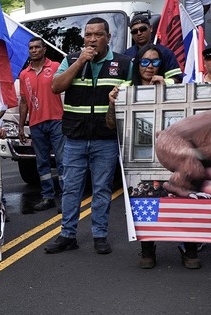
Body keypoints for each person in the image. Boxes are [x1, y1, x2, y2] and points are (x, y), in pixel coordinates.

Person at [47, 17, 132, 255]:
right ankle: (67, 234)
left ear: (108, 37)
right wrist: (80, 62)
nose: (92, 39)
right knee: (71, 189)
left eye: (98, 34)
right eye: (88, 35)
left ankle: (100, 234)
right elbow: (56, 87)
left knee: (102, 189)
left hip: (105, 139)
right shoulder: (71, 59)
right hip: (74, 138)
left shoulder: (124, 63)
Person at [113, 46, 201, 269]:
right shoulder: (125, 88)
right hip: (141, 156)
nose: (149, 67)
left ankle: (188, 247)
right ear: (137, 64)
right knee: (144, 204)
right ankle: (147, 249)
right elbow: (111, 124)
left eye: (154, 62)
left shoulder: (173, 85)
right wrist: (112, 104)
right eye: (144, 62)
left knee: (182, 201)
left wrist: (167, 92)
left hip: (174, 156)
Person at [18, 37, 65, 212]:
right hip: (36, 123)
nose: (34, 50)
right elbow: (23, 102)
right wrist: (22, 126)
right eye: (31, 48)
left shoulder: (56, 67)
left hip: (56, 120)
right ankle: (48, 197)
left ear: (44, 49)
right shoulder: (24, 74)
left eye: (37, 47)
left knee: (61, 161)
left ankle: (66, 198)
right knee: (42, 163)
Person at [124, 15, 183, 83]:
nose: (139, 33)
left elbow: (177, 79)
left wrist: (162, 82)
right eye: (134, 31)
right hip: (133, 93)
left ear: (151, 28)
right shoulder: (126, 55)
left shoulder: (166, 53)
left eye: (143, 29)